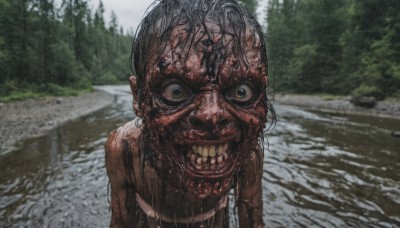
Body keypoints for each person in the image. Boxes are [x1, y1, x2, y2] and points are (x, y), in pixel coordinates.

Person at [105, 0, 275, 227]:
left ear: (263, 95)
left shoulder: (246, 152)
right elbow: (120, 223)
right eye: (175, 91)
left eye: (241, 91)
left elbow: (253, 223)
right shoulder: (124, 150)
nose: (211, 115)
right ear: (138, 97)